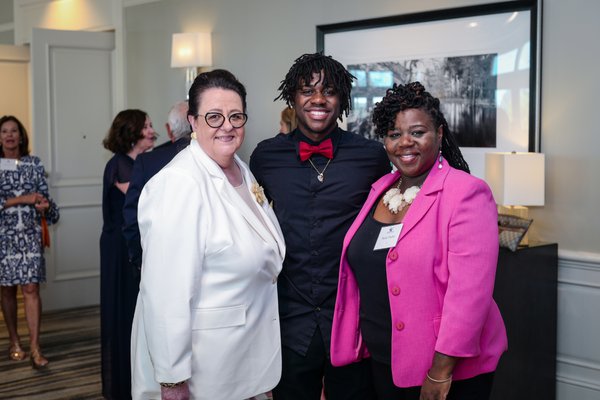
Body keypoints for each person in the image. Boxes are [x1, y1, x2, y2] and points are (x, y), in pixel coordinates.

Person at [329, 82, 508, 400]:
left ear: (439, 134)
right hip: (382, 360)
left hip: (441, 369)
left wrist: (440, 372)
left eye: (417, 132)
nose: (405, 143)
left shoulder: (466, 193)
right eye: (394, 134)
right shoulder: (381, 189)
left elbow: (469, 296)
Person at [131, 69, 286, 400]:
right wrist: (172, 380)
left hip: (245, 359)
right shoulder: (179, 184)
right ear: (193, 121)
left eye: (235, 116)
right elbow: (164, 293)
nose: (227, 126)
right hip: (206, 370)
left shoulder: (239, 169)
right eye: (214, 117)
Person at [249, 53, 390, 399]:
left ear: (341, 99)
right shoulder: (265, 157)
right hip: (289, 317)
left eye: (328, 91)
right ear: (292, 98)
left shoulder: (371, 156)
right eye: (306, 90)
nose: (317, 100)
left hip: (352, 316)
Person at [100, 109, 156, 400]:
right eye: (146, 125)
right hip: (119, 248)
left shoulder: (142, 162)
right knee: (123, 309)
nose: (152, 130)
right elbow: (144, 200)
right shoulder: (119, 165)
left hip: (134, 243)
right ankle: (122, 383)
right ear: (132, 131)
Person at [0, 115, 59, 369]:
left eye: (14, 130)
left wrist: (45, 207)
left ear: (21, 135)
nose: (10, 135)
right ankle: (14, 340)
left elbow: (48, 205)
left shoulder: (34, 164)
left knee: (31, 289)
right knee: (7, 291)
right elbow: (20, 199)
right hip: (4, 237)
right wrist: (21, 199)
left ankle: (35, 347)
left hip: (30, 236)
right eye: (4, 131)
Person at [123, 100, 192, 269]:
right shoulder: (217, 158)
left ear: (169, 130)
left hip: (157, 261)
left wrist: (140, 261)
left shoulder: (147, 162)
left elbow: (132, 216)